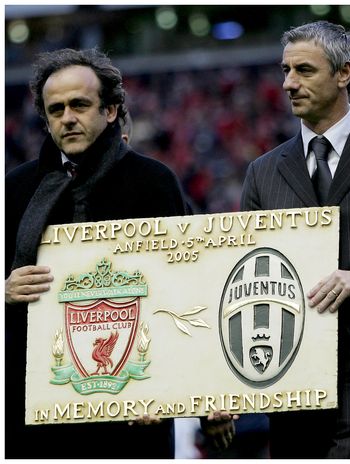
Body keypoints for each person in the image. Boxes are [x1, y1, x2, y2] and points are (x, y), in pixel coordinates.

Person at [4, 48, 230, 457]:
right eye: (55, 109)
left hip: (134, 418)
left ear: (110, 111)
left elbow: (193, 291)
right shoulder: (15, 190)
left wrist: (202, 402)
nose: (67, 117)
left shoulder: (154, 181)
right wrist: (4, 290)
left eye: (79, 105)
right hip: (33, 425)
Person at [241, 21, 350, 458]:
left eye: (303, 70)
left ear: (343, 73)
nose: (288, 83)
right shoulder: (263, 172)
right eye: (286, 70)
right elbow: (246, 269)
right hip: (290, 376)